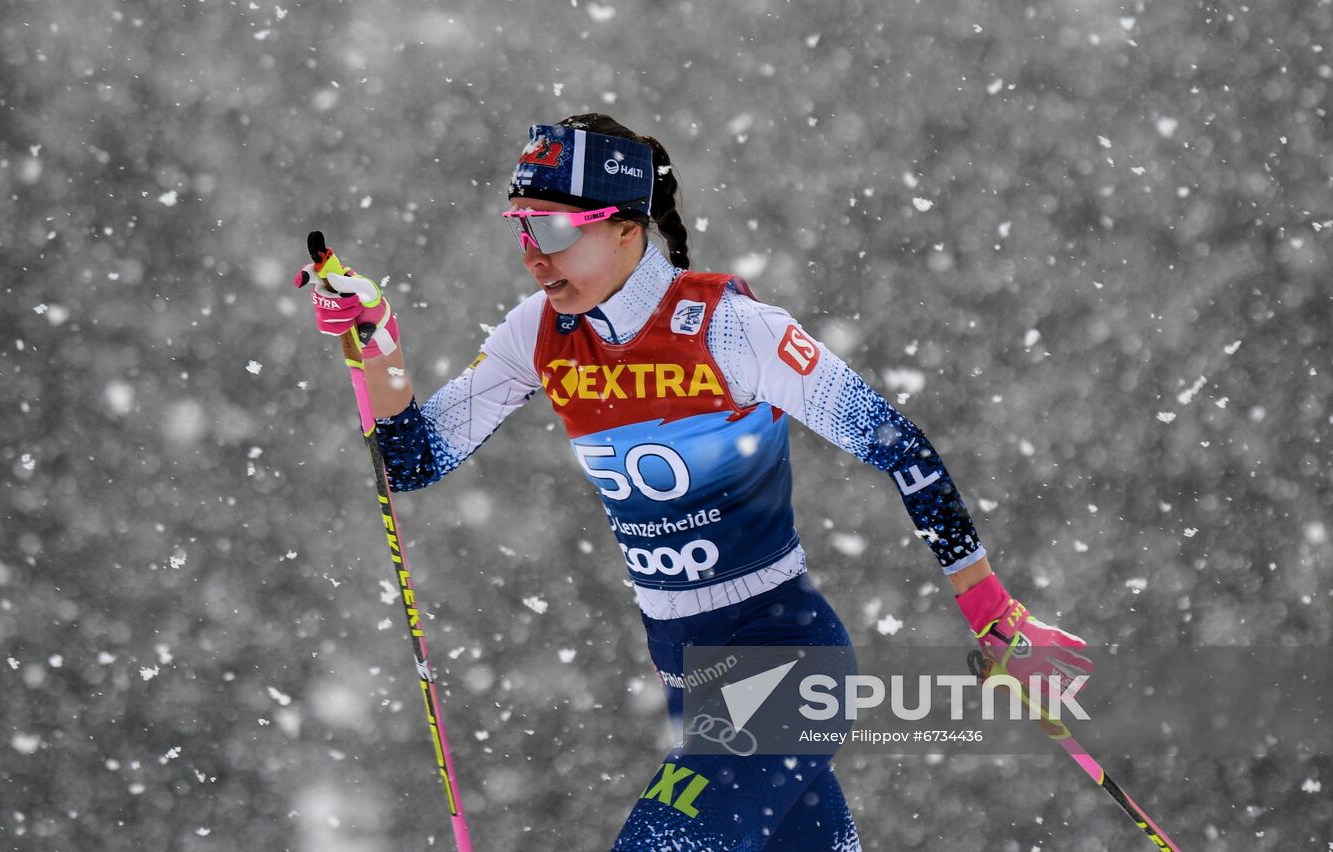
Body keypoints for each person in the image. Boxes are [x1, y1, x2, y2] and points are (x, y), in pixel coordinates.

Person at [301, 114, 1092, 850]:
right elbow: (413, 460)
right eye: (519, 229)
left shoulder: (729, 328)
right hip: (691, 681)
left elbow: (899, 446)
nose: (532, 254)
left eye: (549, 228)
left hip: (785, 660)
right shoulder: (537, 334)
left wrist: (993, 612)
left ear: (624, 228)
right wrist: (376, 343)